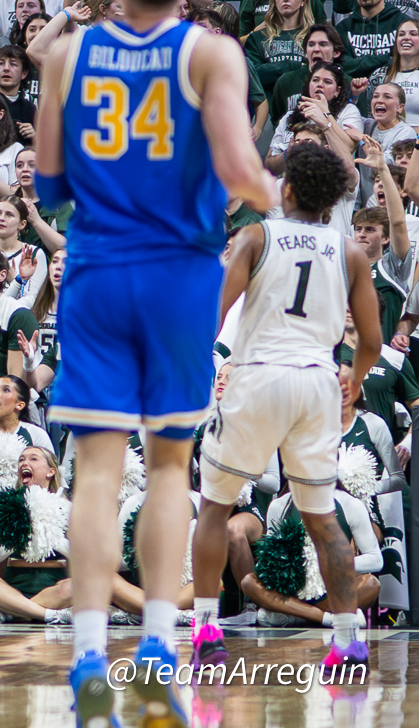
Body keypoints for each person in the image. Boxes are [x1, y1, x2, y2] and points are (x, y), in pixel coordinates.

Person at [33, 0, 278, 721]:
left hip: (99, 271)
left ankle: (88, 658)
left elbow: (47, 182)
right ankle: (160, 650)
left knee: (97, 474)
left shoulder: (66, 54)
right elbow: (242, 170)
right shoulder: (211, 53)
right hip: (180, 273)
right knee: (170, 469)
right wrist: (281, 202)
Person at [189, 141, 378, 671]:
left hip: (258, 375)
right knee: (322, 517)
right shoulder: (351, 252)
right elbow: (370, 339)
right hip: (317, 381)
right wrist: (354, 383)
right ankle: (348, 640)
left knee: (214, 506)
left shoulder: (255, 235)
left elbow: (214, 311)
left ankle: (206, 632)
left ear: (286, 189)